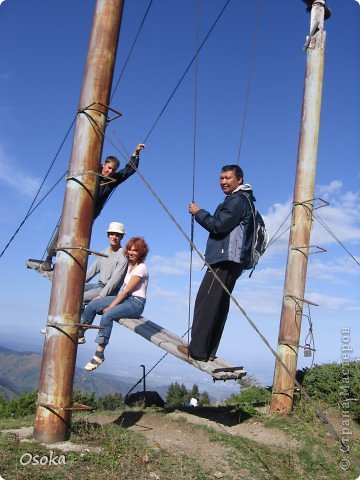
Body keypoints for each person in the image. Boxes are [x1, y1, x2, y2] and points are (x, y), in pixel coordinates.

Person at [177, 165, 256, 362]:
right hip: (234, 261)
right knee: (218, 304)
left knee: (207, 302)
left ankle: (197, 350)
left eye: (228, 178)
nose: (223, 182)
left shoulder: (237, 200)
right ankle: (208, 350)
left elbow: (218, 226)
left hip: (225, 259)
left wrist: (198, 212)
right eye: (221, 178)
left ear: (239, 179)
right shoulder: (245, 200)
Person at [35, 143, 145, 272]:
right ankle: (49, 259)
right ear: (103, 164)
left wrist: (135, 154)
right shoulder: (91, 171)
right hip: (75, 209)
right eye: (108, 168)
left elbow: (129, 171)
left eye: (113, 170)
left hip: (90, 215)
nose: (110, 172)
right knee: (62, 232)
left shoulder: (112, 180)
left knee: (81, 239)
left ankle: (70, 267)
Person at [79, 236, 149, 372]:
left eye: (134, 251)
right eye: (129, 250)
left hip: (135, 303)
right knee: (94, 304)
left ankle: (99, 354)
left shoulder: (141, 268)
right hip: (125, 298)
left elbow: (127, 291)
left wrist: (111, 306)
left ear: (141, 252)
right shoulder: (129, 265)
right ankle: (81, 331)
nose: (130, 253)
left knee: (107, 316)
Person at [83, 221, 128, 307]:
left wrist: (101, 295)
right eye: (112, 234)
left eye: (117, 235)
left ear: (121, 237)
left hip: (110, 290)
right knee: (75, 289)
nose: (114, 237)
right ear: (108, 235)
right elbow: (92, 271)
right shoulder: (104, 252)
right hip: (99, 285)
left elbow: (114, 280)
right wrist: (78, 283)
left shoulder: (123, 256)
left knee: (80, 297)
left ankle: (82, 320)